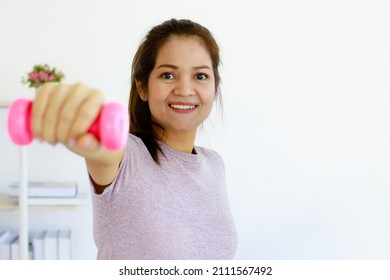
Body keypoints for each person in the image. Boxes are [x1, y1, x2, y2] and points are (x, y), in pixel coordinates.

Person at [31, 18, 237, 259]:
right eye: (168, 75)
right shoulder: (126, 155)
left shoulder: (214, 164)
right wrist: (81, 121)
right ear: (142, 88)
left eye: (200, 76)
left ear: (215, 86)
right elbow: (101, 146)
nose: (184, 89)